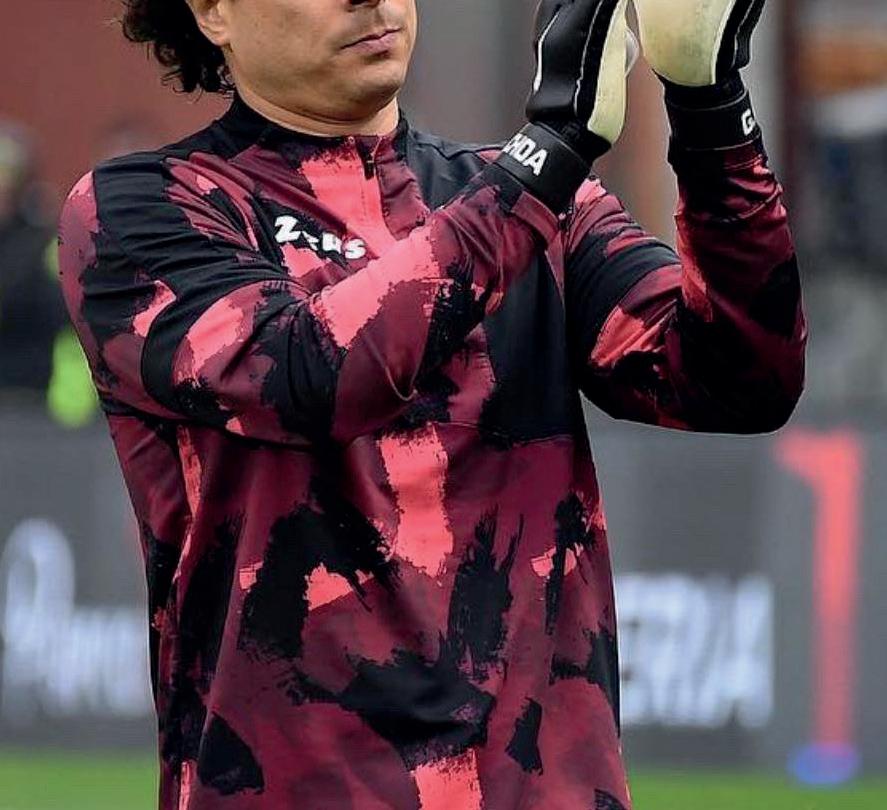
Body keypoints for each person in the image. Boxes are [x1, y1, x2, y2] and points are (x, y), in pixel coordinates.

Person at [58, 0, 806, 807]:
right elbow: (308, 378)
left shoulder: (541, 206)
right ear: (212, 12)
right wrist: (549, 151)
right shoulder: (143, 206)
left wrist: (708, 108)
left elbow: (742, 381)